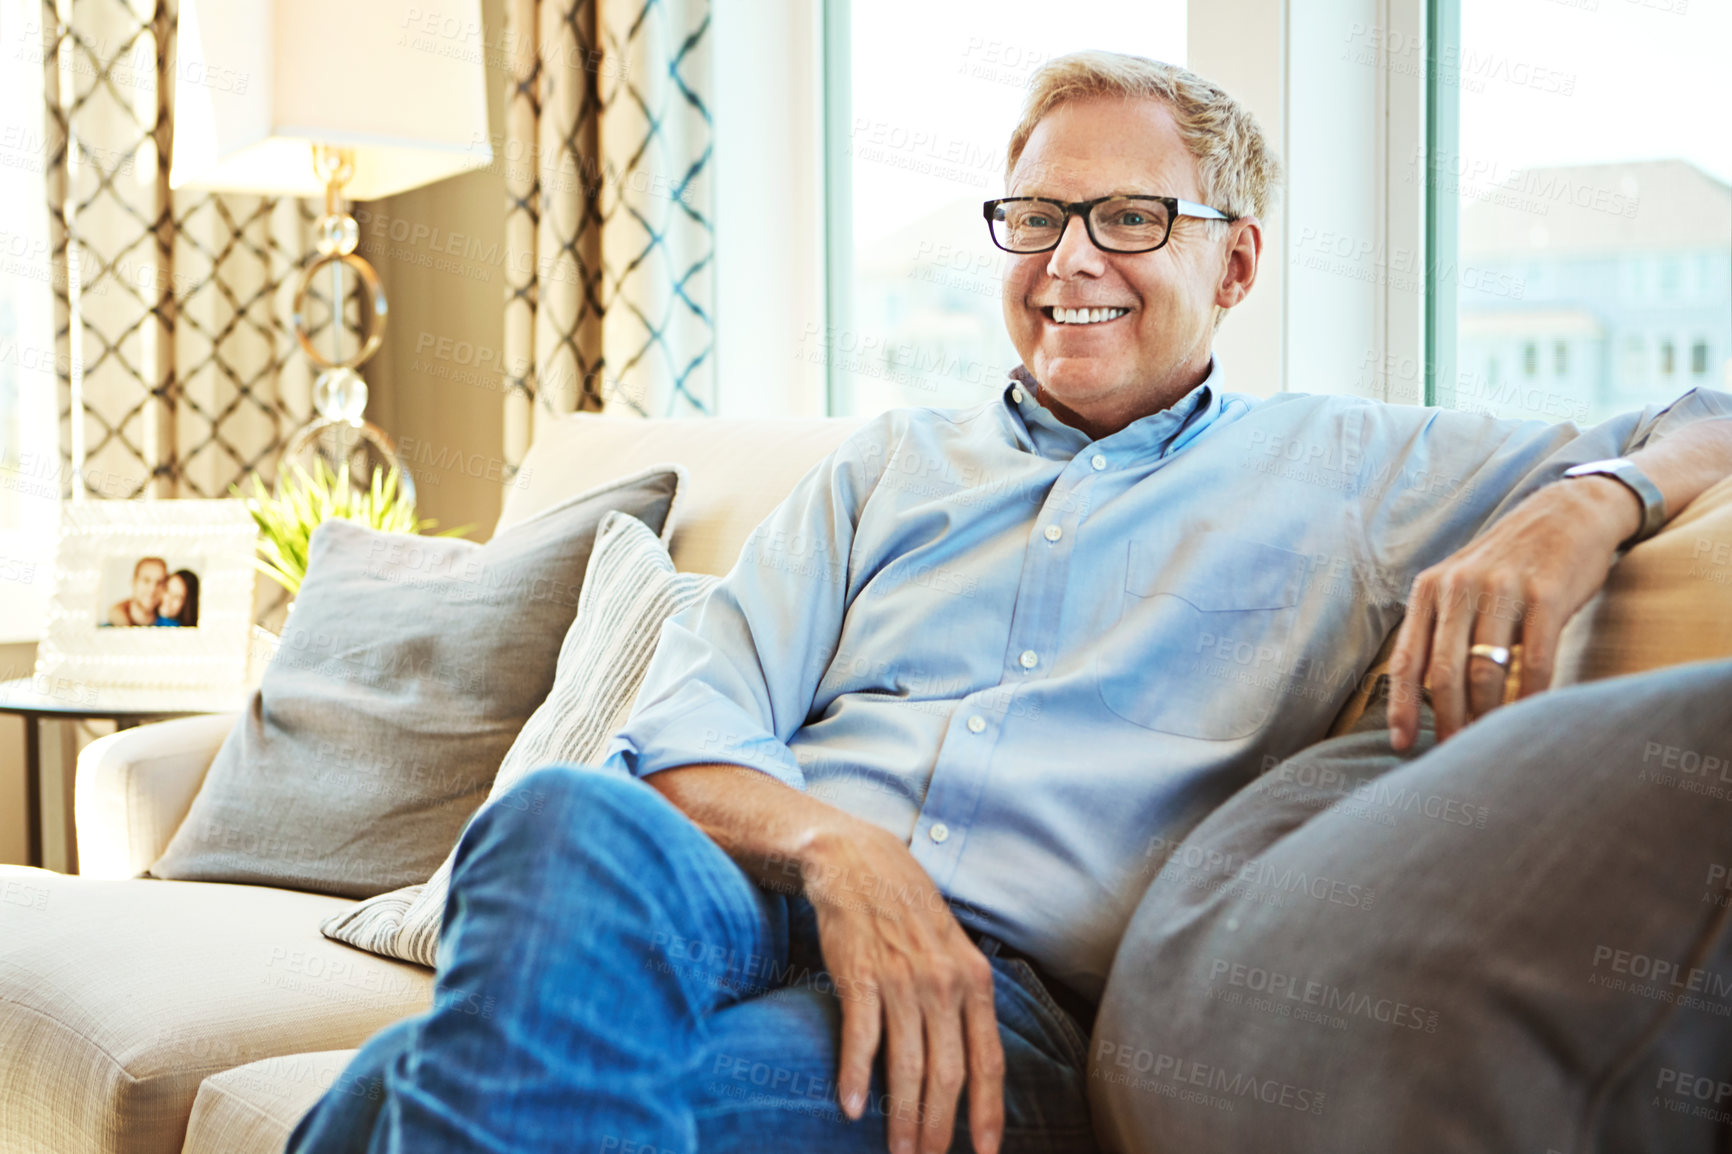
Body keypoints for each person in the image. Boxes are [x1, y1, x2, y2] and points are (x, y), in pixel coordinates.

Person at [289, 52, 1732, 1154]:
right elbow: (685, 734)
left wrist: (1585, 500)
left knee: (387, 1109)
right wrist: (846, 856)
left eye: (1129, 216)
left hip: (988, 1003)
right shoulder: (888, 465)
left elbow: (1710, 413)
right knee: (557, 815)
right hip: (742, 893)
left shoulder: (1356, 472)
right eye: (1038, 215)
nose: (1070, 260)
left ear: (1234, 260)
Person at [106, 556, 166, 627]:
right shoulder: (107, 628)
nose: (152, 589)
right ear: (133, 583)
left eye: (159, 582)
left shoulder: (172, 627)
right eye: (146, 580)